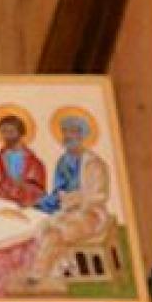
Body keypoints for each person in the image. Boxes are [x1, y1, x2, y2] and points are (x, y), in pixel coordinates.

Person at [11, 115, 114, 292]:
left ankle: (37, 275)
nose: (68, 137)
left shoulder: (93, 163)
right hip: (66, 213)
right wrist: (38, 205)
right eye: (65, 133)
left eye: (73, 132)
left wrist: (72, 199)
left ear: (82, 136)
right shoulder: (63, 162)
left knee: (54, 233)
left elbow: (98, 195)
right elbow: (57, 193)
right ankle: (44, 271)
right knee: (36, 226)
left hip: (90, 214)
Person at [0, 113, 48, 207]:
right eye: (3, 132)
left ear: (20, 133)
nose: (6, 135)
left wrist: (23, 185)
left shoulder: (34, 163)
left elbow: (39, 191)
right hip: (2, 203)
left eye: (11, 131)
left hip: (24, 205)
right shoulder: (0, 157)